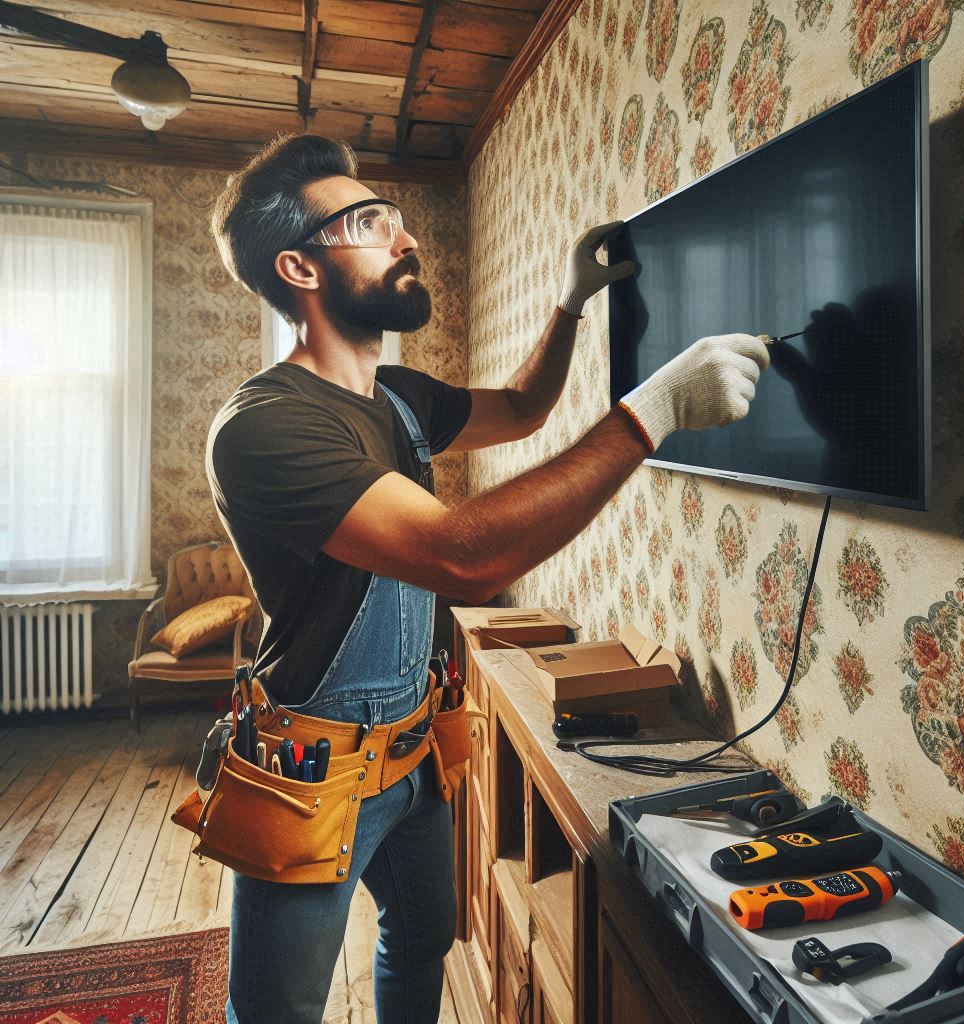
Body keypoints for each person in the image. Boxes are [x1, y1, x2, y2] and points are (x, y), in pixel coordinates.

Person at [207, 133, 769, 1024]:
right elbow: (460, 553)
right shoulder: (263, 426)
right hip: (310, 772)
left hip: (419, 752)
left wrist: (572, 306)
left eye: (392, 214)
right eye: (365, 221)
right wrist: (652, 412)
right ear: (299, 268)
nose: (404, 237)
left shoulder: (399, 397)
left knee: (422, 941)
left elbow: (523, 409)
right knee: (274, 1013)